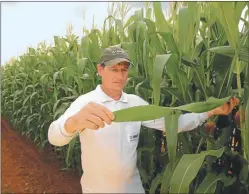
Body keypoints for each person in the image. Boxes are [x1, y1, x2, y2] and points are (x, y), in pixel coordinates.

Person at [48, 46, 239, 193]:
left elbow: (175, 124)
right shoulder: (86, 103)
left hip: (133, 189)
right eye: (114, 69)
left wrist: (209, 112)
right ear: (100, 69)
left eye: (124, 70)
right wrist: (73, 123)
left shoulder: (135, 104)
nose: (120, 76)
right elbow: (54, 136)